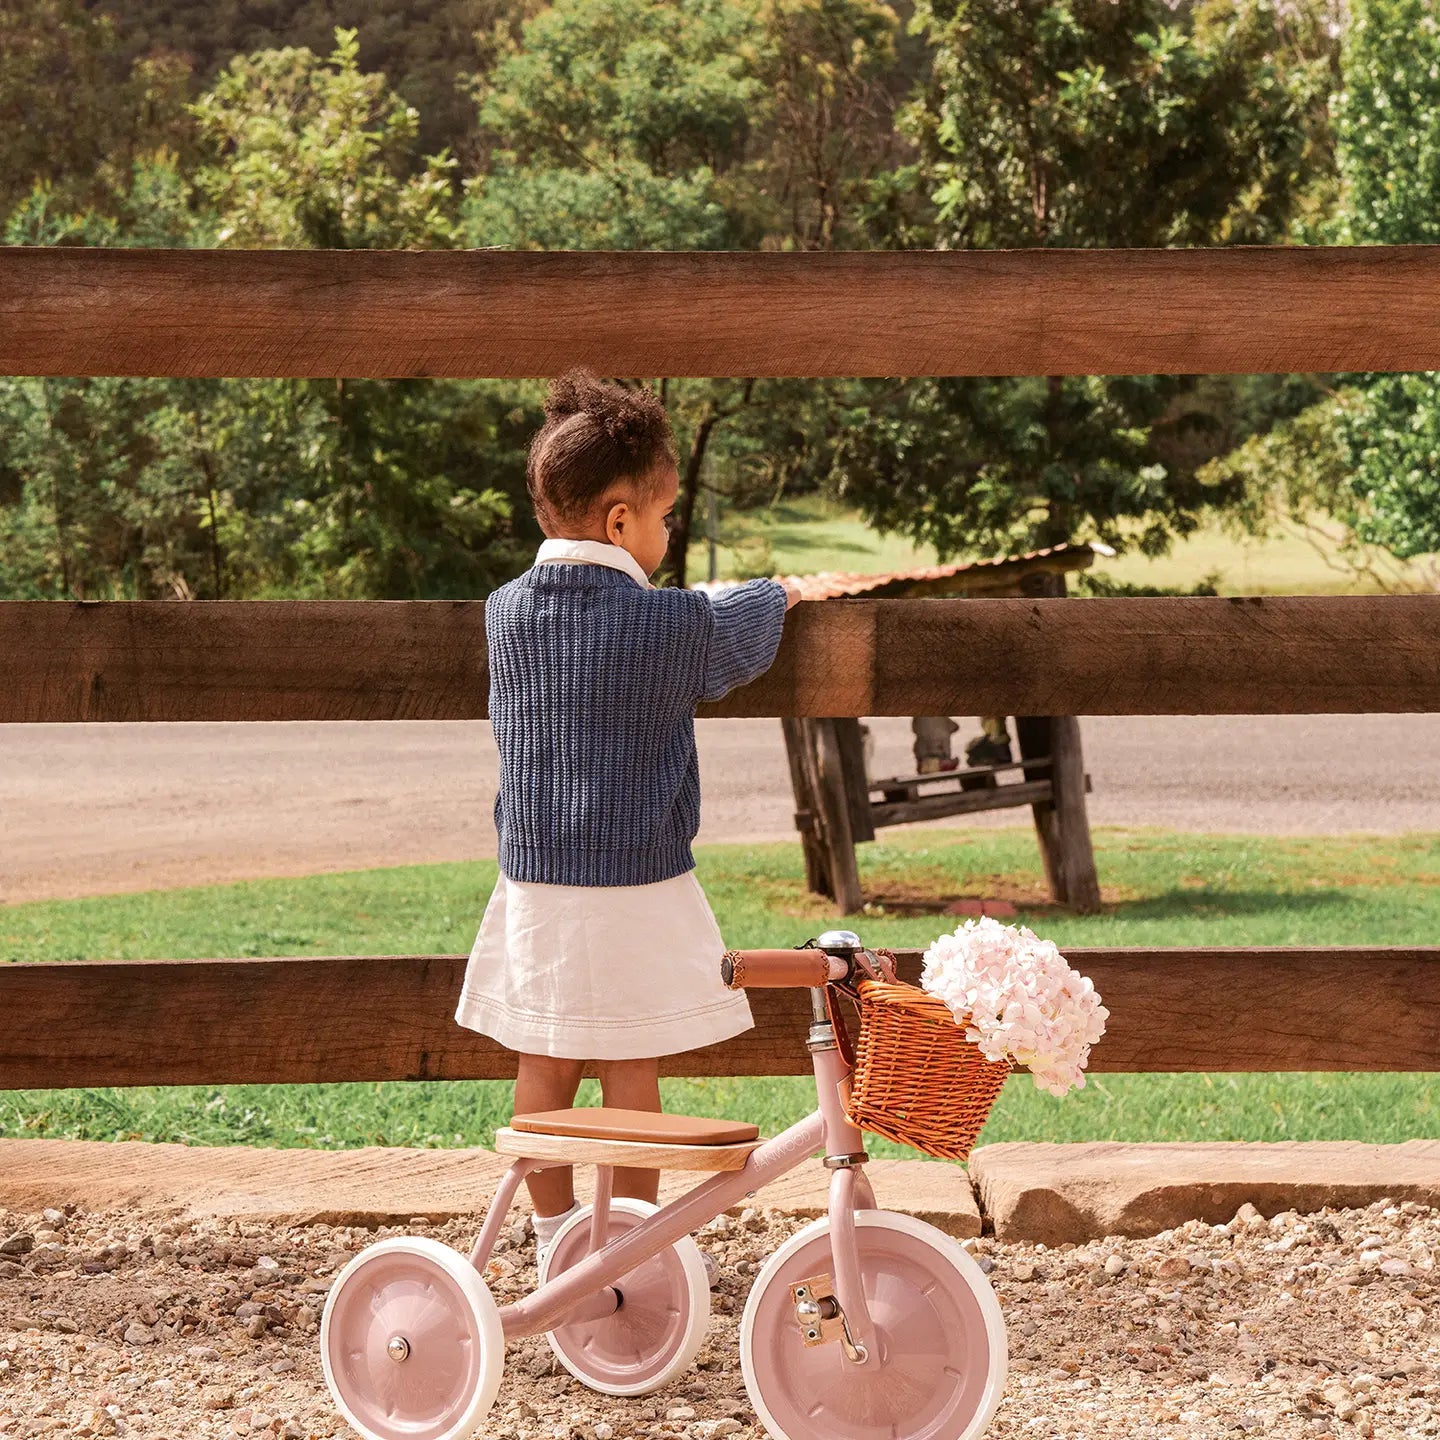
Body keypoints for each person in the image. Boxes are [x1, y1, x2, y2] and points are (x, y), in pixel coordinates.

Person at [454, 367, 801, 1269]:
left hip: (535, 882)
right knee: (632, 1064)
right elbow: (741, 621)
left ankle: (552, 1239)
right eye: (664, 516)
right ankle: (631, 1249)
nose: (667, 532)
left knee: (543, 1058)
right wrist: (785, 593)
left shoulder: (504, 613)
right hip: (639, 880)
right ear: (619, 522)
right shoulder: (668, 627)